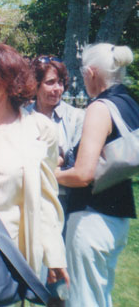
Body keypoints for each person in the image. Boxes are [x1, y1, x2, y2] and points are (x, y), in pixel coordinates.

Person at [0, 43, 69, 295]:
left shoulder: (40, 129)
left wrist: (54, 254)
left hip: (13, 254)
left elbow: (46, 198)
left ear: (7, 77)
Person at [55, 44, 138, 307]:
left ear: (91, 72)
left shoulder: (100, 108)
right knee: (101, 297)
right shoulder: (129, 103)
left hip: (91, 218)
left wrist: (49, 173)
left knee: (83, 300)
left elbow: (82, 174)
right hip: (118, 218)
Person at [28, 56, 85, 215]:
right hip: (29, 196)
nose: (57, 89)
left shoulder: (76, 118)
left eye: (60, 82)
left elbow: (75, 163)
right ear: (36, 85)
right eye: (50, 82)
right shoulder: (22, 116)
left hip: (63, 200)